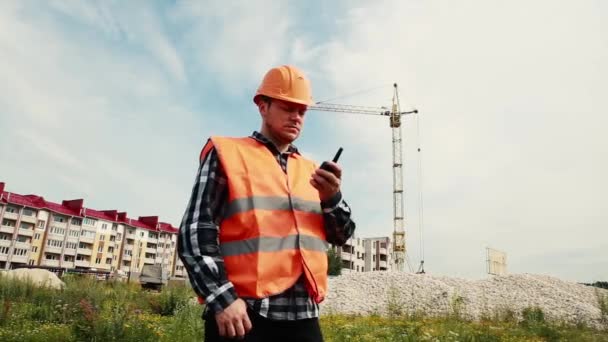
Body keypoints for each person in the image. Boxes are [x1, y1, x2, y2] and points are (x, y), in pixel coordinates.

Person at [178, 65, 356, 342]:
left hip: (303, 315)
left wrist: (332, 197)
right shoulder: (228, 153)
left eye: (302, 111)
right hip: (244, 314)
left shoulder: (310, 172)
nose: (296, 117)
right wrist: (222, 299)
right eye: (288, 107)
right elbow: (195, 231)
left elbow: (341, 235)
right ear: (263, 106)